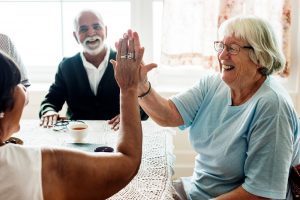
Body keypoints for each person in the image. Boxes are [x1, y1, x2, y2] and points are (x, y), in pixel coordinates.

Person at [119, 16, 300, 199]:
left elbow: (261, 194)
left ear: (260, 56)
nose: (221, 56)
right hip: (197, 192)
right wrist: (140, 85)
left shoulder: (272, 106)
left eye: (232, 48)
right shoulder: (213, 83)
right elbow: (169, 114)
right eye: (221, 46)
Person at [0, 30, 144, 199]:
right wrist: (128, 88)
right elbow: (127, 163)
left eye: (96, 27)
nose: (24, 89)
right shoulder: (29, 167)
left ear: (105, 30)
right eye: (17, 82)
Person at [39, 9, 148, 128]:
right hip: (77, 138)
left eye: (96, 27)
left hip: (117, 134)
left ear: (105, 31)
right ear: (75, 36)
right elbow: (50, 101)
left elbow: (144, 105)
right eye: (84, 29)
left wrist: (130, 115)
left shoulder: (125, 63)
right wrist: (48, 112)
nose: (91, 33)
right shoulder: (66, 66)